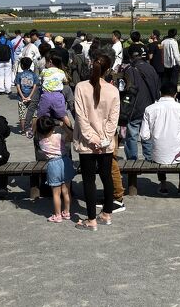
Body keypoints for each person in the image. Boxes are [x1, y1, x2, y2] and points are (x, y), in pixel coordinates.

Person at [73, 54, 119, 231]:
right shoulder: (113, 90)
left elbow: (81, 116)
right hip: (105, 143)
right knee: (106, 176)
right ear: (108, 69)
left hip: (87, 143)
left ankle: (91, 219)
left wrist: (92, 139)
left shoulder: (81, 87)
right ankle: (107, 214)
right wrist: (104, 140)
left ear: (92, 65)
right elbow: (112, 121)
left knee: (89, 180)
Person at [140, 82, 180, 195]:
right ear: (175, 94)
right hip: (179, 155)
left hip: (158, 155)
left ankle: (163, 185)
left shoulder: (149, 109)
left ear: (160, 93)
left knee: (159, 150)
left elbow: (144, 135)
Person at [123, 44, 160, 161]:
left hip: (135, 107)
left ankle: (132, 159)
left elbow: (129, 89)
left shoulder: (130, 70)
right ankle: (149, 157)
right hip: (150, 105)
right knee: (147, 134)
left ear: (130, 56)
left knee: (132, 135)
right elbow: (157, 87)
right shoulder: (150, 68)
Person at [36, 116, 75, 223]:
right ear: (53, 128)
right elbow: (71, 137)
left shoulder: (41, 142)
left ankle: (57, 215)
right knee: (66, 191)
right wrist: (64, 127)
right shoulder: (59, 136)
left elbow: (37, 127)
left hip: (53, 165)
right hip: (65, 161)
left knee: (56, 193)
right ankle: (67, 212)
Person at [37, 53, 72, 130]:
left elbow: (41, 80)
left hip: (46, 95)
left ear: (50, 62)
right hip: (58, 96)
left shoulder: (44, 71)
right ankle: (71, 131)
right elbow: (65, 81)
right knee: (63, 115)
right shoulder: (61, 72)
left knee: (40, 116)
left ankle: (37, 132)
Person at [15, 57, 39, 134]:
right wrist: (30, 96)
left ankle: (23, 130)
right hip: (32, 97)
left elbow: (18, 86)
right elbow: (34, 86)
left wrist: (22, 96)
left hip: (21, 97)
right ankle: (33, 130)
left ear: (21, 65)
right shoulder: (34, 75)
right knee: (34, 114)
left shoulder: (19, 75)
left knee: (22, 114)